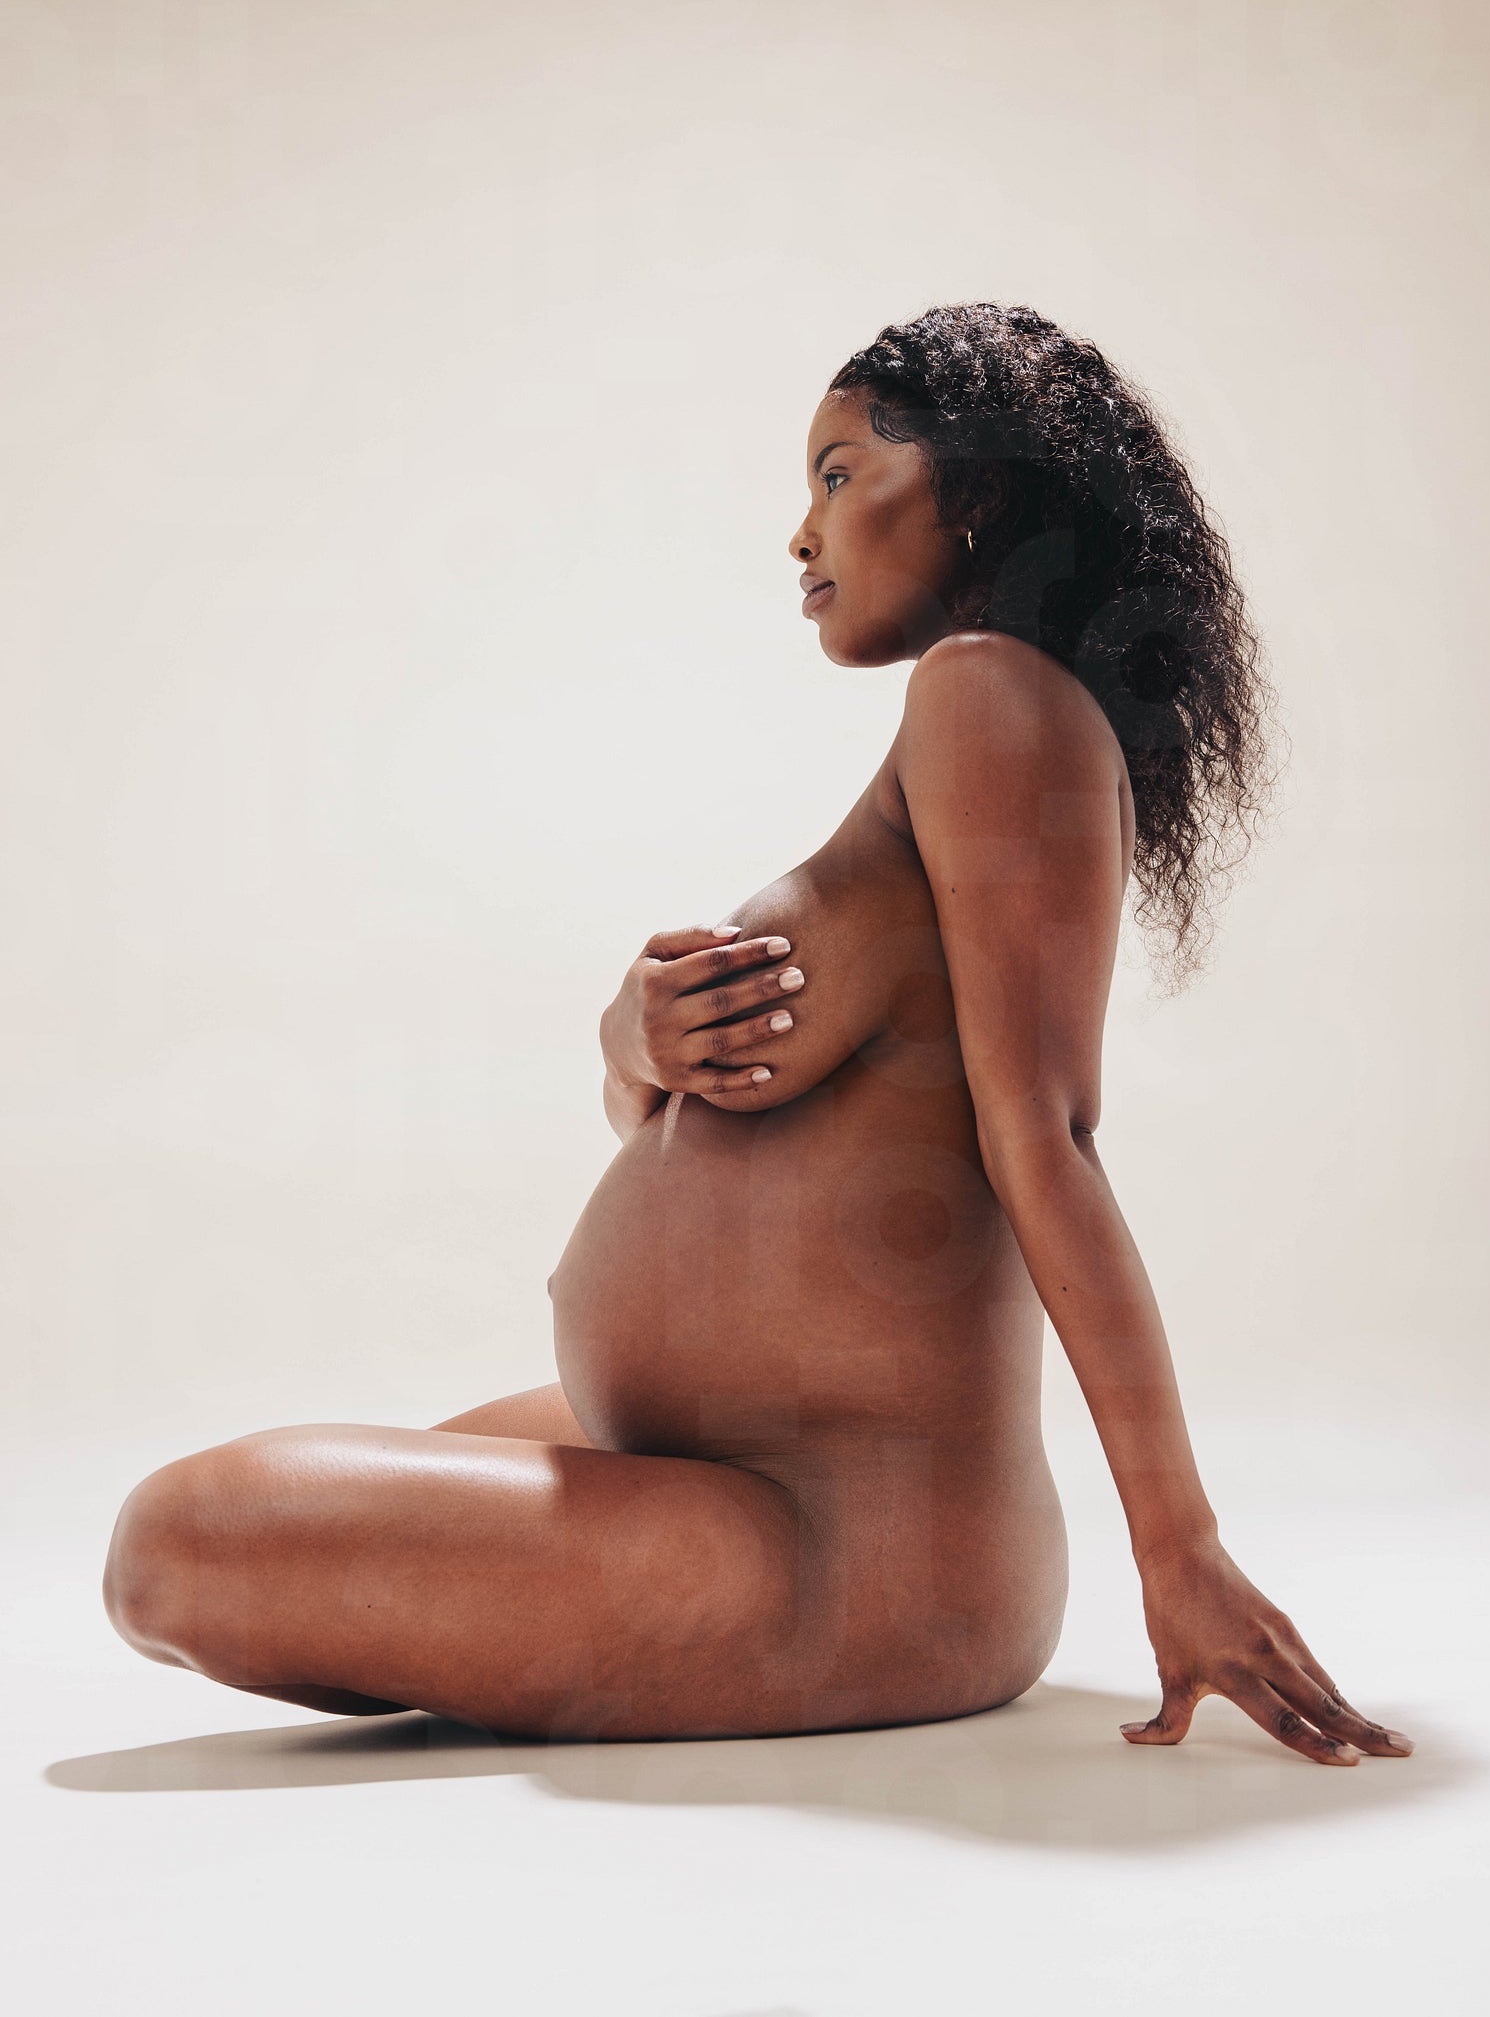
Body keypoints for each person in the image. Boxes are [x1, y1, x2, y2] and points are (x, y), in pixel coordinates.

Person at [103, 302, 1412, 1766]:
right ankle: (593, 1641)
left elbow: (1049, 1136)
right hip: (730, 1465)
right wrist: (635, 1044)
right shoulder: (957, 738)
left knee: (180, 1543)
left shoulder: (990, 694)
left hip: (850, 1535)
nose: (803, 533)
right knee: (302, 1520)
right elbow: (725, 1136)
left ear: (980, 493)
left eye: (842, 475)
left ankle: (650, 1639)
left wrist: (1180, 1544)